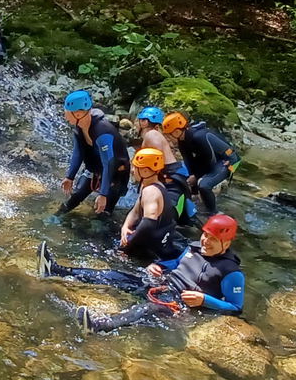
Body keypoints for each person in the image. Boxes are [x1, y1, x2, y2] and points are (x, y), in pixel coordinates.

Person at [36, 214, 244, 334]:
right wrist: (159, 265)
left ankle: (98, 326)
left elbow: (235, 308)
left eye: (212, 240)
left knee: (146, 309)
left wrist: (204, 300)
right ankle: (55, 270)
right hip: (162, 285)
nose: (205, 242)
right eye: (205, 236)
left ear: (226, 243)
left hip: (178, 304)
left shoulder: (231, 272)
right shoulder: (195, 247)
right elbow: (176, 262)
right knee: (114, 276)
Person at [58, 90, 130, 219]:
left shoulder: (102, 131)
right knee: (76, 196)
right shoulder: (78, 127)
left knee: (103, 212)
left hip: (115, 173)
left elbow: (109, 163)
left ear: (78, 114)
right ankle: (56, 218)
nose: (65, 117)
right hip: (95, 169)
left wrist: (102, 194)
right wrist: (70, 177)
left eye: (67, 114)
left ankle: (100, 235)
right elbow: (78, 153)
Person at [162, 112, 241, 216]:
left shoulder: (198, 137)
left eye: (168, 135)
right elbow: (189, 162)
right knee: (186, 177)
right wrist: (194, 192)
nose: (167, 138)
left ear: (177, 131)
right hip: (211, 159)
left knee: (204, 185)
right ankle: (200, 197)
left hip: (228, 159)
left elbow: (210, 160)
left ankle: (213, 213)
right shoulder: (182, 141)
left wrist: (196, 176)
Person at [136, 106, 199, 227]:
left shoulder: (152, 135)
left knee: (163, 221)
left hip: (171, 179)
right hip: (173, 177)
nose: (135, 125)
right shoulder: (152, 135)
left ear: (144, 122)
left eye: (138, 120)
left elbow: (156, 162)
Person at [117, 148, 181, 261]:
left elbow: (148, 225)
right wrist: (125, 226)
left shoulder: (151, 192)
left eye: (135, 167)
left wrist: (127, 248)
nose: (132, 170)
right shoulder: (146, 185)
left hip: (156, 251)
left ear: (146, 171)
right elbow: (135, 211)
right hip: (154, 241)